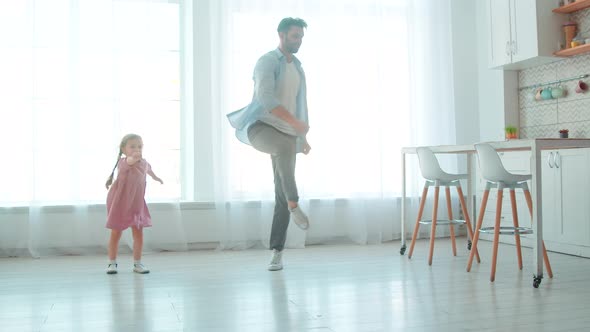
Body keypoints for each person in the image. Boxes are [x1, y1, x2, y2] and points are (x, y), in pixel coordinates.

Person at [227, 17, 311, 271]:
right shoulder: (267, 61)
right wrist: (294, 124)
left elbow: (301, 105)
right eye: (295, 36)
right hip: (261, 128)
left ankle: (277, 251)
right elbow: (265, 97)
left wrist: (302, 136)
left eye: (301, 37)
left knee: (279, 192)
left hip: (288, 132)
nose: (298, 41)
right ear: (282, 35)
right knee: (284, 152)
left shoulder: (297, 67)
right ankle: (295, 201)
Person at [104, 133, 163, 274]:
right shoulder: (124, 163)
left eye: (140, 146)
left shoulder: (144, 162)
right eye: (132, 147)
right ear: (124, 150)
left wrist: (156, 178)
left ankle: (138, 263)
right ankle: (112, 263)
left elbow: (149, 170)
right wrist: (133, 157)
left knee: (138, 233)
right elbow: (131, 161)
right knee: (116, 232)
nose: (137, 149)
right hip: (121, 203)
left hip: (136, 203)